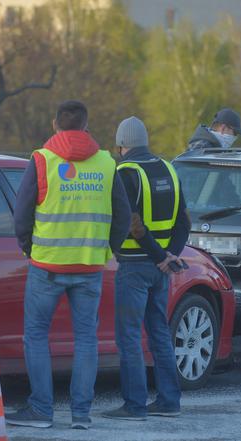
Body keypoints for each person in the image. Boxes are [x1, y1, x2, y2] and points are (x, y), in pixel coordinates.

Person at [7, 100, 131, 430]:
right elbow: (122, 215)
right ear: (86, 126)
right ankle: (81, 415)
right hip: (89, 267)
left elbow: (21, 216)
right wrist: (108, 250)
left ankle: (41, 411)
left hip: (46, 266)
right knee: (86, 340)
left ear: (55, 124)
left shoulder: (41, 160)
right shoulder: (106, 163)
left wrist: (28, 249)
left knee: (35, 336)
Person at [102, 116, 190, 420]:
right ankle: (169, 401)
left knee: (128, 336)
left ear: (120, 145)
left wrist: (157, 255)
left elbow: (133, 224)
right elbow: (183, 221)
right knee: (159, 333)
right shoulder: (168, 168)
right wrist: (170, 256)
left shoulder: (125, 173)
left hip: (136, 267)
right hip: (161, 268)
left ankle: (135, 405)